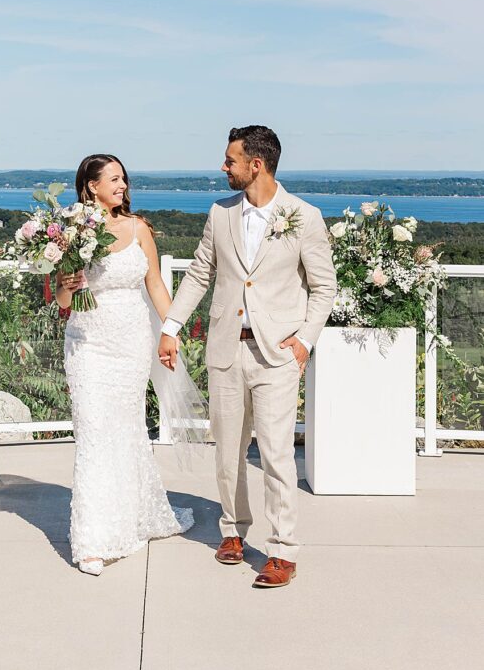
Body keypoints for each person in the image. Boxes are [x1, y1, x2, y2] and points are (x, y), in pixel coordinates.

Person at [158, 125, 336, 588]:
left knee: (277, 455)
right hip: (225, 350)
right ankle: (233, 533)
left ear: (256, 165)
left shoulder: (304, 216)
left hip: (277, 356)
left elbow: (324, 287)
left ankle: (282, 550)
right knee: (228, 452)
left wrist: (304, 342)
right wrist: (171, 327)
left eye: (230, 160)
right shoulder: (220, 214)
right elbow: (199, 273)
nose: (223, 167)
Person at [56, 153, 197, 576]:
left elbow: (154, 283)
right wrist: (67, 284)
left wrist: (170, 331)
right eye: (113, 179)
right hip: (87, 343)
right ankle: (91, 540)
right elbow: (65, 302)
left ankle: (130, 516)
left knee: (126, 429)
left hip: (132, 341)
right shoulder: (72, 232)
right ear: (91, 186)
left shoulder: (139, 229)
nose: (122, 185)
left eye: (124, 179)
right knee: (93, 432)